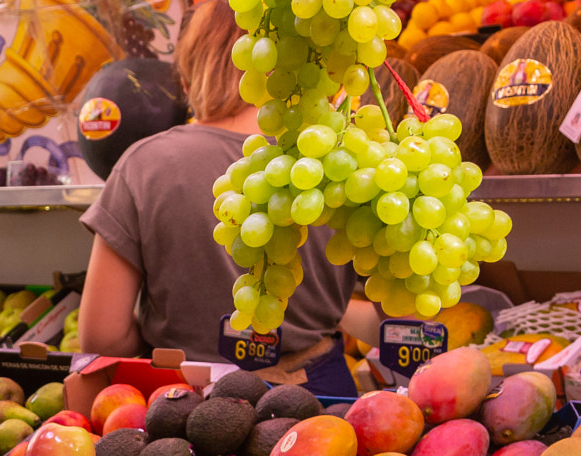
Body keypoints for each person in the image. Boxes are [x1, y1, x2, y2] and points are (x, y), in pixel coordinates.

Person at [77, 0, 376, 384]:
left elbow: (102, 336)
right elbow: (399, 305)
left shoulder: (143, 164)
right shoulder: (341, 164)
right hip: (320, 396)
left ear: (185, 77)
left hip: (184, 400)